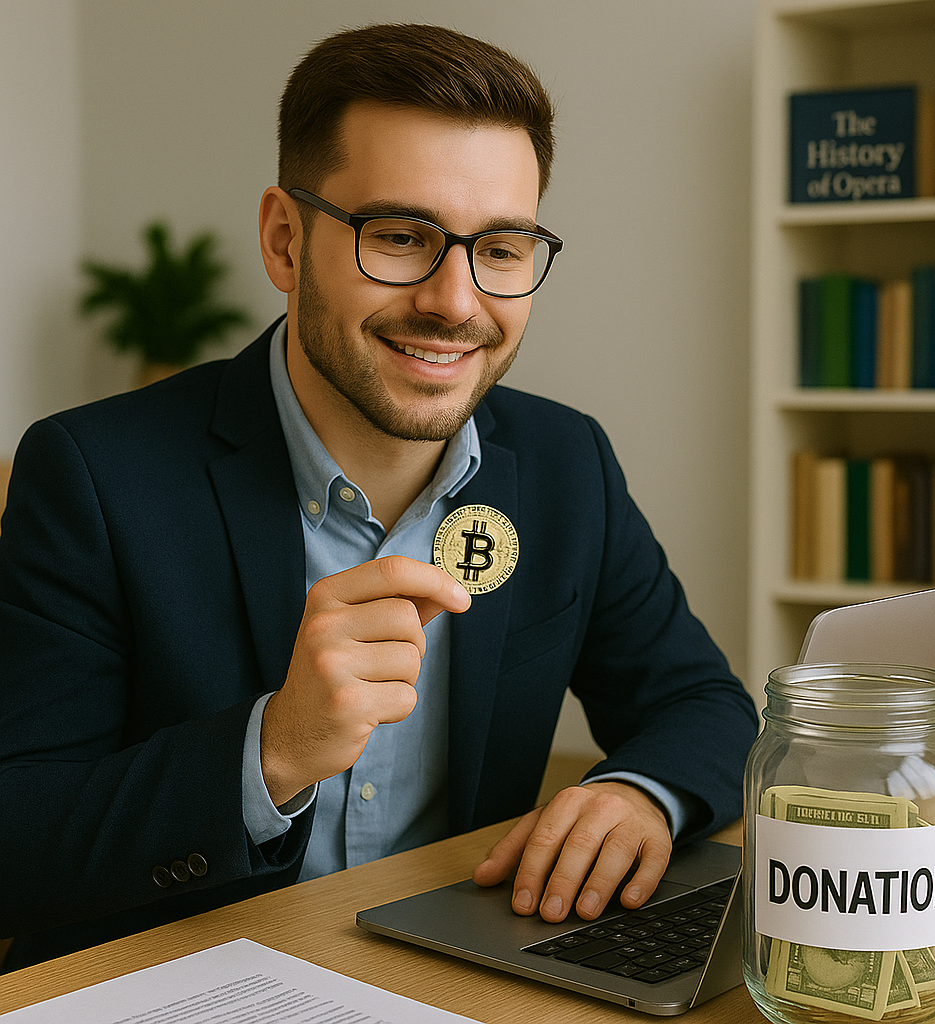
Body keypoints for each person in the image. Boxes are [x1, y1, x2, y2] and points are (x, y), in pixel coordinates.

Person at [0, 23, 757, 970]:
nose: (455, 300)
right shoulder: (92, 474)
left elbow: (704, 703)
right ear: (285, 239)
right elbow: (17, 841)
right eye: (400, 237)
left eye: (504, 248)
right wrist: (270, 751)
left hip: (461, 976)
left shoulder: (568, 462)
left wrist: (640, 793)